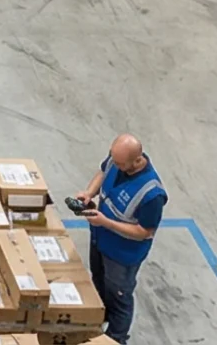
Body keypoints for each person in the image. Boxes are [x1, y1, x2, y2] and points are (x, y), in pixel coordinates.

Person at [77, 133, 167, 344]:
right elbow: (103, 171)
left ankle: (116, 338)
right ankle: (99, 316)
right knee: (98, 280)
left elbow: (145, 231)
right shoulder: (116, 161)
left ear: (137, 160)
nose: (115, 165)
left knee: (119, 297)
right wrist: (89, 193)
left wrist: (106, 222)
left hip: (122, 255)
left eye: (120, 163)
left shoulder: (151, 194)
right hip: (100, 239)